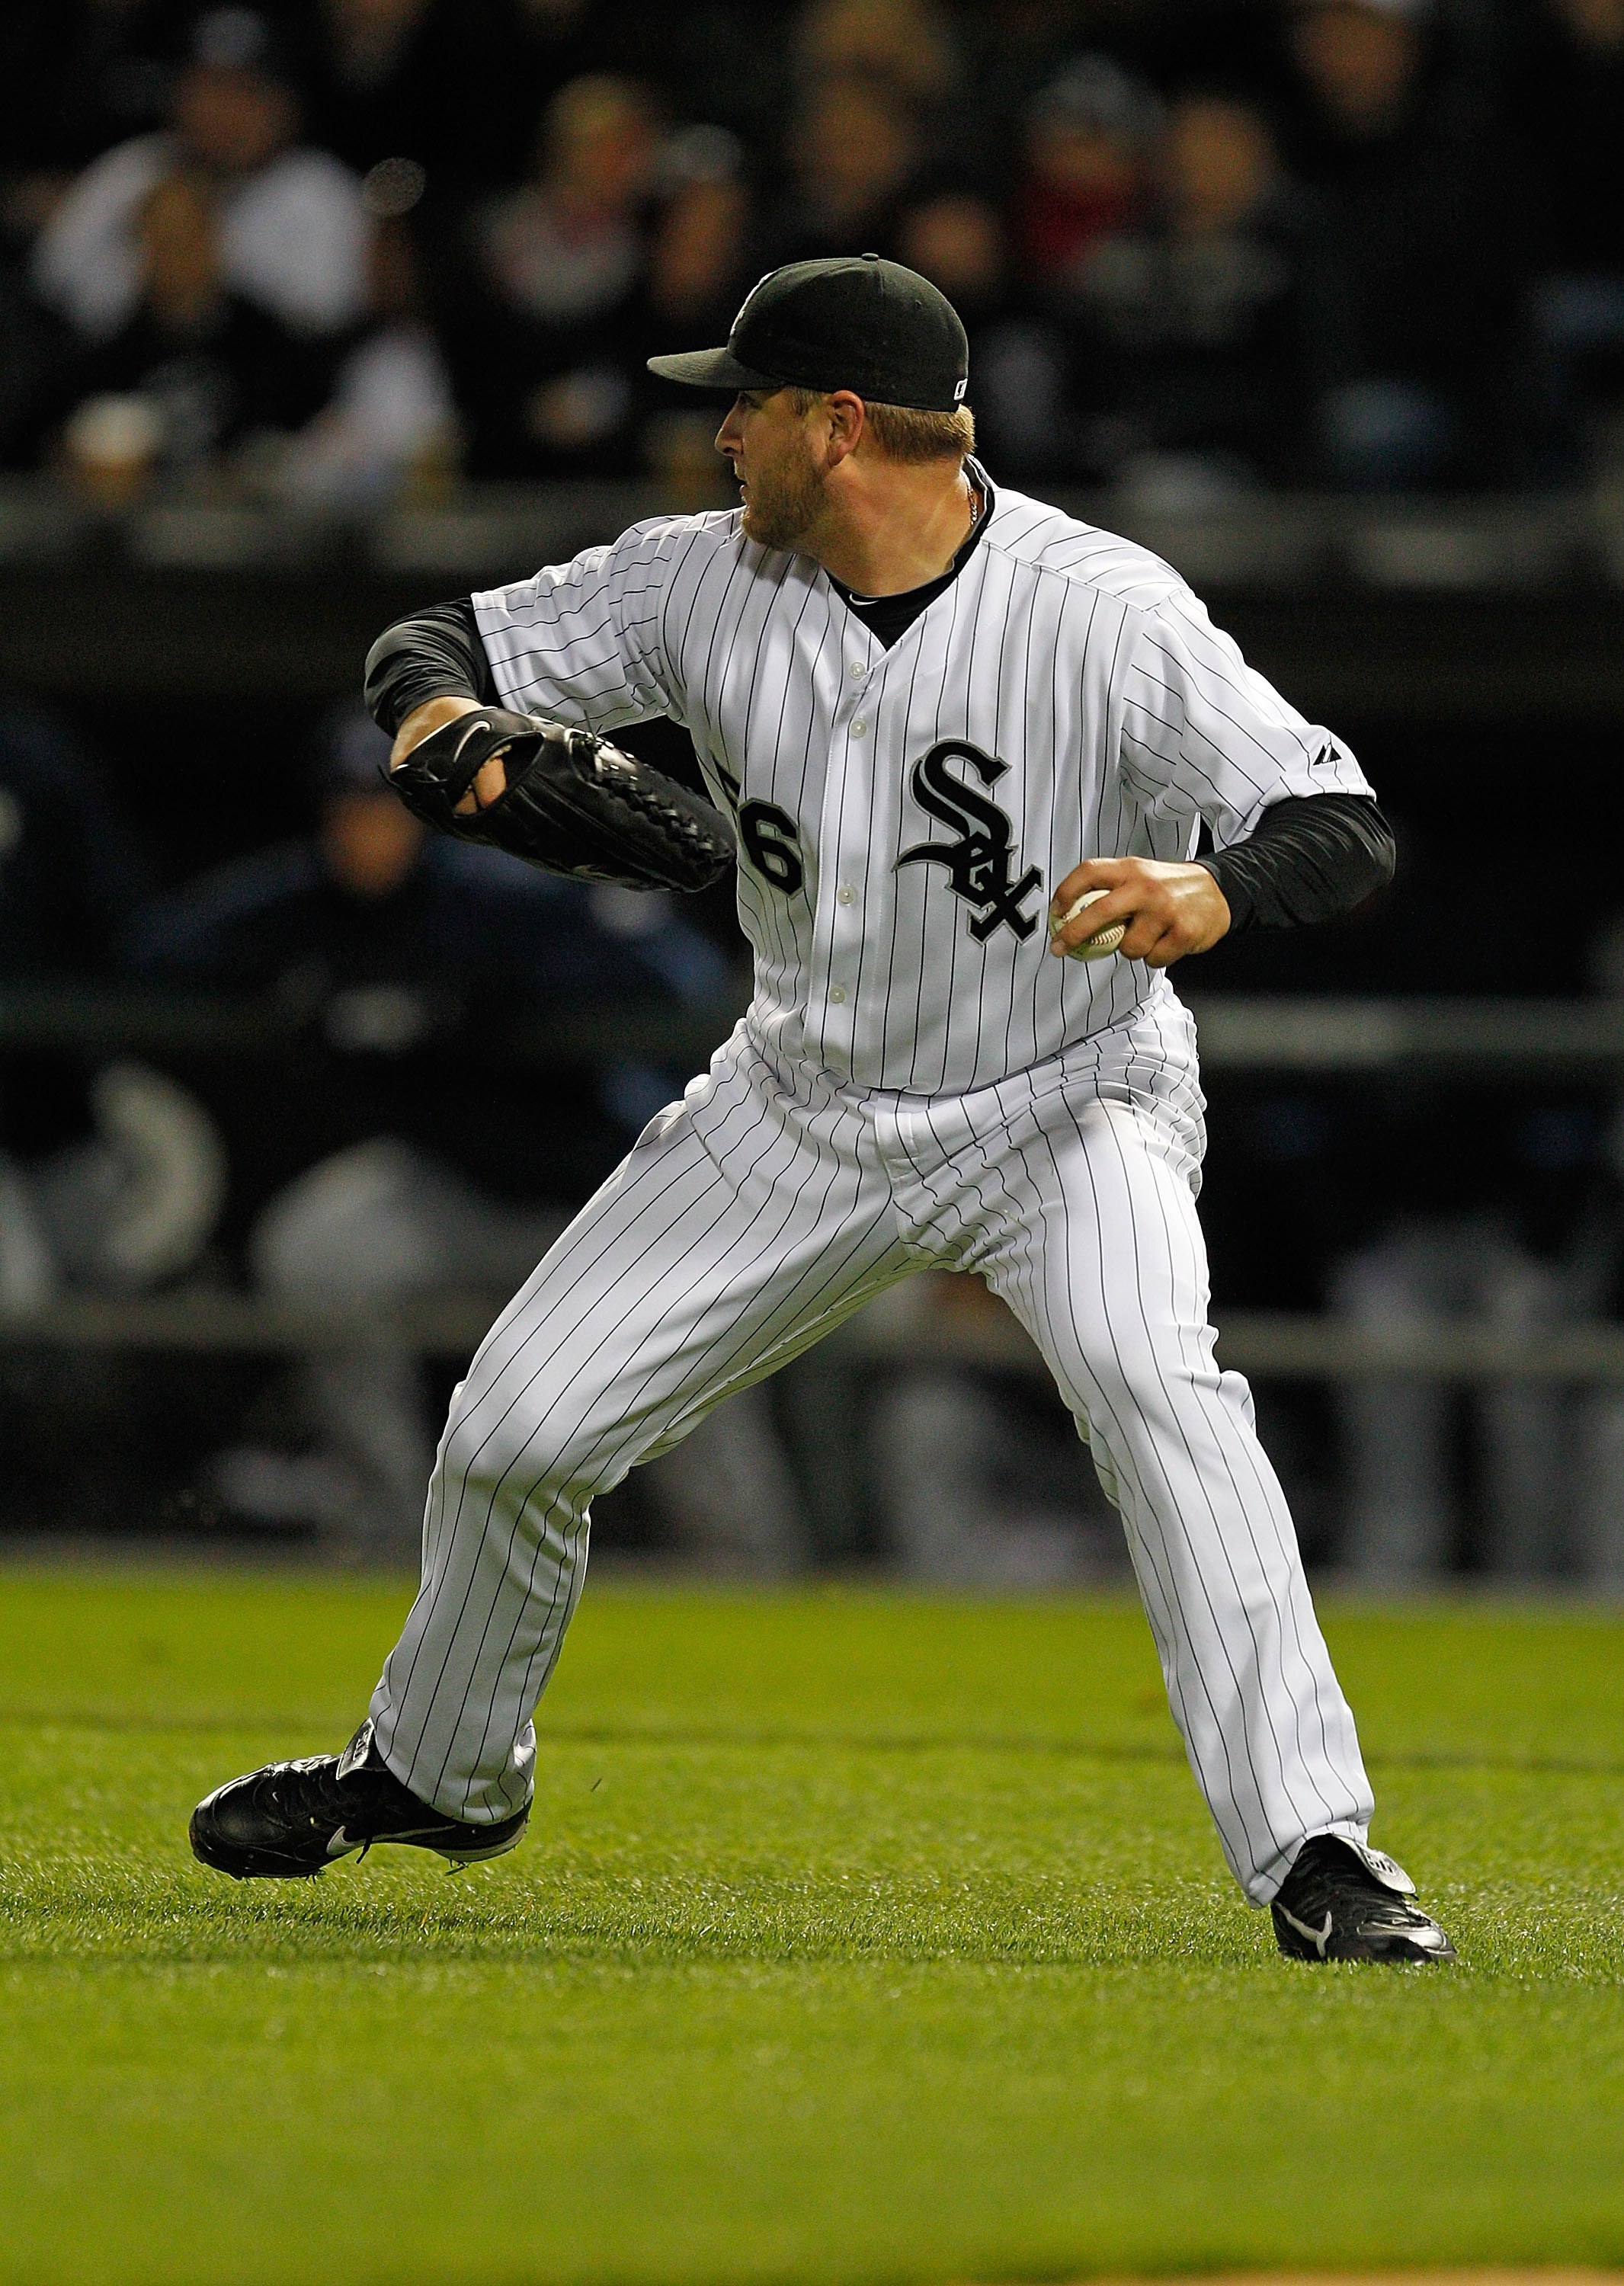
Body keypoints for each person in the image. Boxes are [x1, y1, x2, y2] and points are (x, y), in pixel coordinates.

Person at [191, 253, 1453, 1966]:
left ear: (835, 425)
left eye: (748, 402)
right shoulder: (694, 584)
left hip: (1064, 1100)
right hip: (798, 1098)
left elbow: (1340, 816)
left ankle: (1318, 1849)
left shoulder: (1102, 608)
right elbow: (441, 639)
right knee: (510, 1434)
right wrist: (446, 728)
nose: (722, 437)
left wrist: (1217, 892)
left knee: (1161, 1398)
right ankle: (437, 1773)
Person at [129, 706, 803, 1566]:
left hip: (592, 1192)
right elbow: (155, 957)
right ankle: (388, 1537)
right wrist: (295, 991)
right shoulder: (312, 905)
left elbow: (670, 983)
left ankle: (752, 1568)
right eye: (348, 809)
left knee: (685, 1367)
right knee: (318, 1253)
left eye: (385, 808)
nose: (365, 830)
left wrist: (475, 1002)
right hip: (450, 1186)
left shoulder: (506, 890)